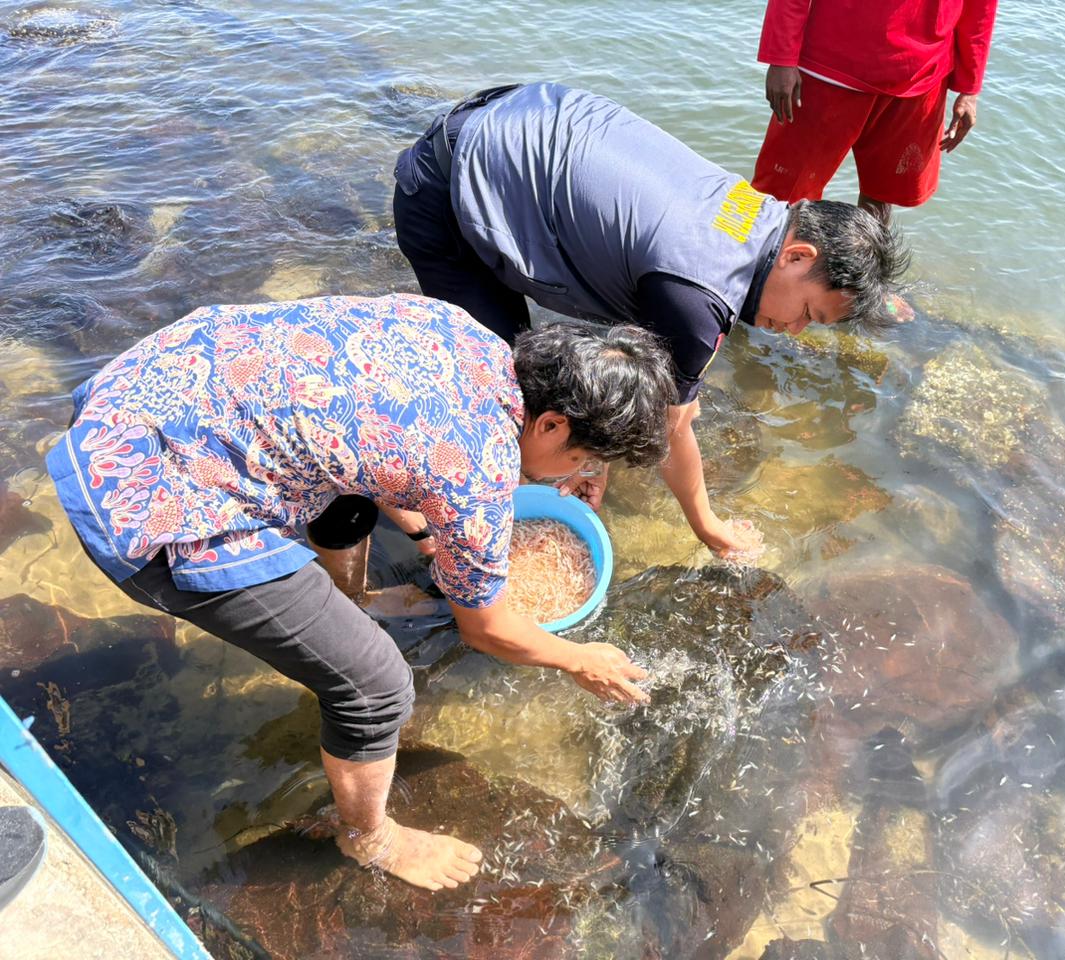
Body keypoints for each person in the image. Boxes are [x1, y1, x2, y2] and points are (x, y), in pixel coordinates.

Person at [44, 293, 675, 891]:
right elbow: (488, 630)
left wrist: (432, 527)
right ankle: (369, 838)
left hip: (144, 389)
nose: (583, 475)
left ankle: (332, 615)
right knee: (377, 686)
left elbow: (365, 431)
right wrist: (578, 658)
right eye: (585, 459)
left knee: (347, 493)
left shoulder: (457, 331)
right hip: (152, 503)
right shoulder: (476, 472)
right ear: (551, 422)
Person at [393, 81, 909, 558]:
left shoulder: (754, 213)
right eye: (807, 313)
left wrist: (598, 457)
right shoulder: (697, 299)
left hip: (515, 121)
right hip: (446, 188)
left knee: (536, 385)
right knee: (500, 398)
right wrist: (708, 527)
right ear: (797, 255)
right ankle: (436, 521)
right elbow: (671, 427)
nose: (794, 330)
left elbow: (653, 372)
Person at [751, 0, 999, 225]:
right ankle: (743, 268)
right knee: (778, 196)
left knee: (880, 199)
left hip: (921, 74)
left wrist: (969, 88)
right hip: (828, 65)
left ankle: (865, 272)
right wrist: (782, 58)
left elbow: (981, 7)